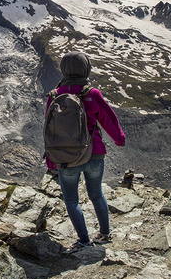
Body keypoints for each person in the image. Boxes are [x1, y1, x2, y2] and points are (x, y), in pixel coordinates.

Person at [44, 52, 125, 251]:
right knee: (96, 194)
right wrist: (119, 139)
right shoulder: (92, 94)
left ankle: (83, 240)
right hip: (94, 154)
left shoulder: (55, 96)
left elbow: (49, 129)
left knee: (72, 201)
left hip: (65, 159)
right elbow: (109, 120)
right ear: (85, 69)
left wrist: (51, 160)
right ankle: (105, 234)